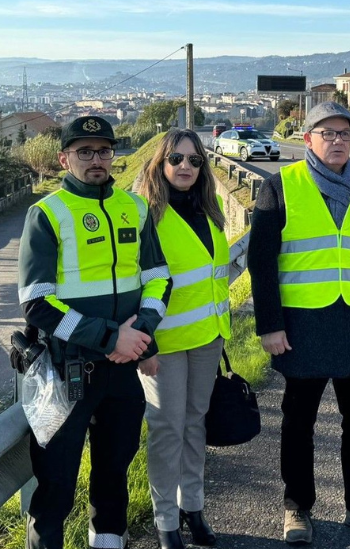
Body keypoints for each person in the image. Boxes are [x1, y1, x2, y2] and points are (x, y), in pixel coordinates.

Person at [248, 101, 350, 545]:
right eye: (328, 133)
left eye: (344, 134)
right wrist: (269, 325)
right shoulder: (281, 186)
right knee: (298, 423)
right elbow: (261, 264)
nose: (337, 141)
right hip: (301, 327)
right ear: (308, 139)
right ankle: (297, 507)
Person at [17, 116, 172, 549]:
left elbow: (159, 277)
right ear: (64, 158)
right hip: (66, 372)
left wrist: (140, 334)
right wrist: (111, 338)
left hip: (122, 371)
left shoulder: (134, 207)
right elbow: (37, 303)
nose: (96, 160)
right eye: (84, 152)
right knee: (56, 484)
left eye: (103, 150)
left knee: (113, 474)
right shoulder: (46, 213)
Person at [136, 129, 232, 549]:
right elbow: (131, 282)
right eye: (176, 158)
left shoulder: (209, 211)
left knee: (195, 426)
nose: (186, 167)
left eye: (195, 160)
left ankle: (193, 508)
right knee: (167, 431)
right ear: (160, 162)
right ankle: (165, 522)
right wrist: (144, 344)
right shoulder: (145, 216)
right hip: (164, 346)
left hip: (208, 338)